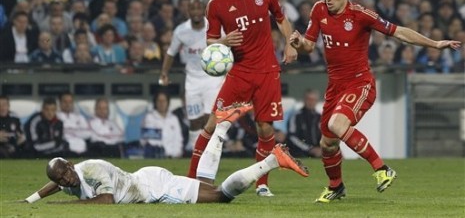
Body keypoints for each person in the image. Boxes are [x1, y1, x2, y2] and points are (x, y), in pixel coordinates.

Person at [289, 0, 462, 203]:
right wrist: (298, 43)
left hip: (360, 83)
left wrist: (434, 43)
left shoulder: (361, 15)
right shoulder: (319, 9)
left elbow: (399, 32)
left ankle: (382, 169)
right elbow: (308, 47)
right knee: (327, 143)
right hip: (335, 86)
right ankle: (336, 186)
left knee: (337, 124)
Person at [23, 103, 309, 204]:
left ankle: (272, 160)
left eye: (66, 173)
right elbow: (56, 182)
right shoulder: (68, 177)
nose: (66, 181)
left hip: (156, 190)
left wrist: (62, 209)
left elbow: (106, 201)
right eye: (62, 179)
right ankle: (221, 127)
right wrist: (32, 198)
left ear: (72, 165)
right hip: (147, 178)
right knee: (208, 186)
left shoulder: (93, 170)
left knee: (222, 196)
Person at [186, 0, 297, 197]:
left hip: (268, 71)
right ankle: (191, 179)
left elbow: (281, 18)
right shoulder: (216, 4)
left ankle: (262, 184)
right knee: (214, 123)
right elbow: (210, 41)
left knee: (265, 129)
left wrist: (290, 42)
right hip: (240, 72)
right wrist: (224, 41)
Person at [159, 0, 224, 153]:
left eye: (198, 9)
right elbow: (170, 52)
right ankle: (197, 152)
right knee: (194, 121)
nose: (196, 13)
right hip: (192, 80)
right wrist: (164, 73)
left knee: (210, 118)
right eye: (192, 9)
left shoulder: (215, 27)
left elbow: (228, 46)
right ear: (188, 12)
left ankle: (211, 153)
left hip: (212, 78)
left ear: (204, 11)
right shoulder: (181, 31)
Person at [286, 89, 322, 158]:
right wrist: (309, 149)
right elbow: (292, 137)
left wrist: (322, 149)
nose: (311, 102)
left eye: (313, 100)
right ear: (304, 100)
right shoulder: (296, 116)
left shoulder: (320, 117)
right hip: (299, 153)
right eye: (308, 99)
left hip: (318, 153)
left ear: (316, 101)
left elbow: (324, 136)